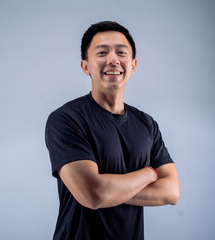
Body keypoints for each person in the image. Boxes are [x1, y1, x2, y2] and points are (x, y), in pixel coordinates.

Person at [45, 21, 180, 240]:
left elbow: (172, 192)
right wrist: (149, 173)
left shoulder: (146, 123)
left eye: (121, 52)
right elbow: (93, 195)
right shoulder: (66, 119)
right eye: (101, 52)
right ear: (85, 66)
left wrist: (109, 190)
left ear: (133, 65)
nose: (113, 60)